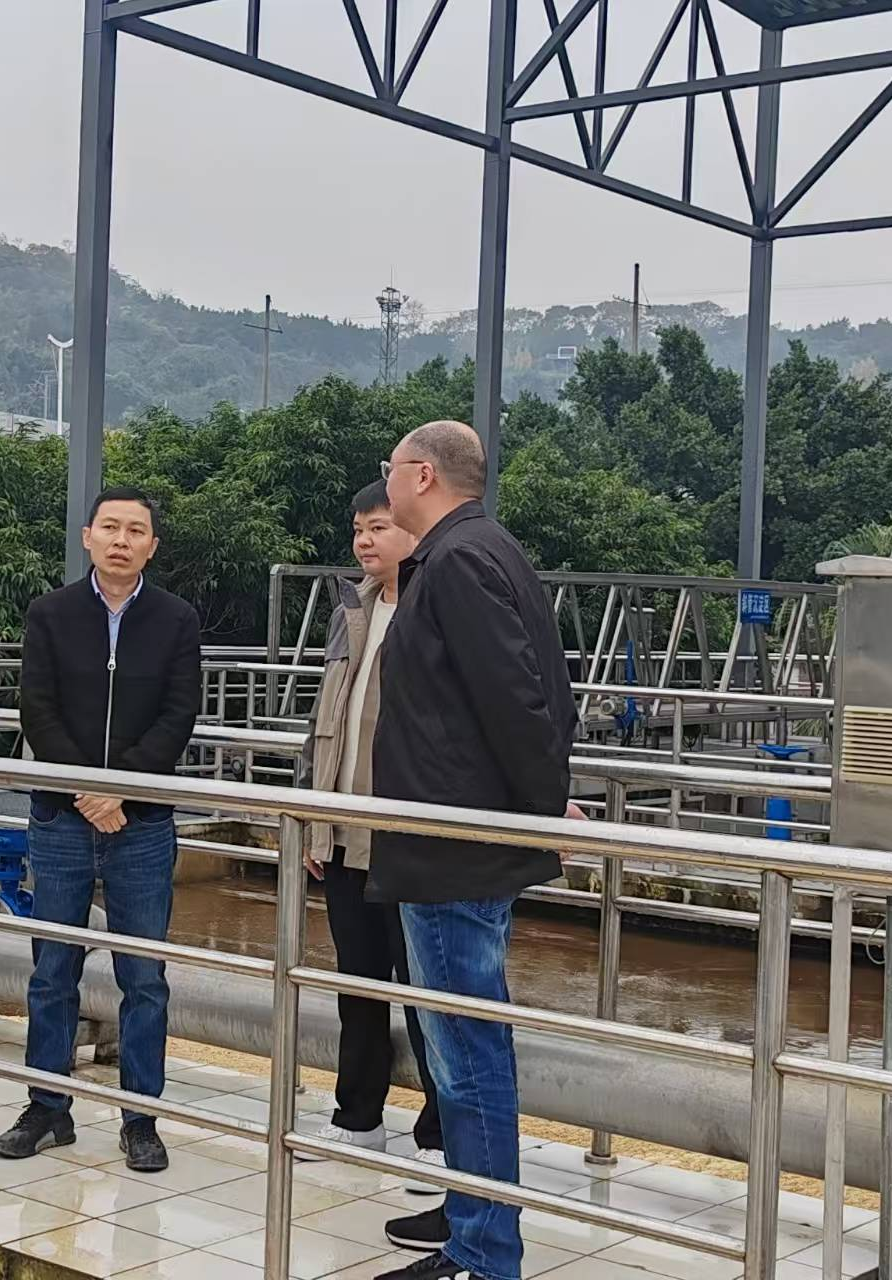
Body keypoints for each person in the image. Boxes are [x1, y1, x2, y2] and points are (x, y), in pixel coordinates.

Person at [367, 422, 579, 1280]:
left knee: (465, 1054)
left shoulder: (457, 560)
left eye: (390, 470)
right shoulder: (480, 549)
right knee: (458, 1048)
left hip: (454, 847)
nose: (385, 483)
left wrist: (538, 810)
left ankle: (485, 1253)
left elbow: (517, 698)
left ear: (421, 474)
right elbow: (539, 689)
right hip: (455, 838)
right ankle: (469, 1216)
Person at [0, 487, 204, 1175]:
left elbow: (178, 715)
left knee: (143, 976)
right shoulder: (51, 613)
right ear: (87, 536)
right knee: (52, 970)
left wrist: (121, 790)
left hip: (141, 824)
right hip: (61, 818)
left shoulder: (175, 619)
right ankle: (46, 1108)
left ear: (152, 546)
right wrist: (88, 793)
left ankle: (140, 1118)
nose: (121, 539)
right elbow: (37, 708)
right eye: (109, 527)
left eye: (135, 530)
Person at [295, 481, 445, 1187]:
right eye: (358, 529)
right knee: (357, 985)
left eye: (379, 527)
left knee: (427, 990)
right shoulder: (349, 610)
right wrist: (311, 818)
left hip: (410, 841)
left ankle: (438, 1133)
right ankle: (357, 1117)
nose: (364, 541)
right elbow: (321, 723)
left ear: (413, 530)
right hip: (344, 834)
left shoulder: (437, 610)